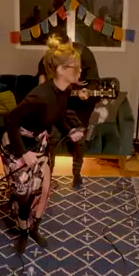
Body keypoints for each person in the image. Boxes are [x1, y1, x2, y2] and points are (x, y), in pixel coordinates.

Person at [3, 37, 85, 253]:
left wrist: (70, 131)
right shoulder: (39, 96)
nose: (80, 71)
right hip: (18, 145)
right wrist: (23, 154)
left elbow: (58, 115)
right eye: (75, 67)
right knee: (24, 195)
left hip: (39, 143)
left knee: (45, 189)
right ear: (60, 70)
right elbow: (10, 120)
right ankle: (22, 232)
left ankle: (34, 228)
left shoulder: (64, 91)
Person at [36, 32, 99, 188]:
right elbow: (42, 83)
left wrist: (86, 92)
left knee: (79, 139)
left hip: (79, 107)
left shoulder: (84, 54)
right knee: (51, 138)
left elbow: (94, 82)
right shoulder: (48, 58)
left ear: (70, 43)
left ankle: (77, 175)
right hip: (57, 106)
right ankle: (48, 176)